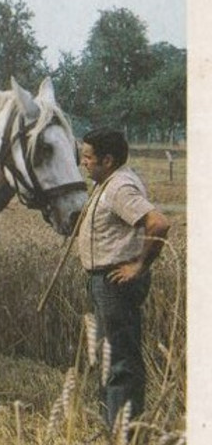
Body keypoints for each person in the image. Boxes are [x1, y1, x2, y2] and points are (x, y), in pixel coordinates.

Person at [76, 128, 171, 427]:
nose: (84, 163)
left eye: (89, 158)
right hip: (104, 281)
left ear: (108, 159)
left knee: (119, 359)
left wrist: (139, 266)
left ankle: (124, 436)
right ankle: (113, 428)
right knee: (110, 355)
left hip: (115, 283)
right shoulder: (107, 183)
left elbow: (158, 223)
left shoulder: (119, 188)